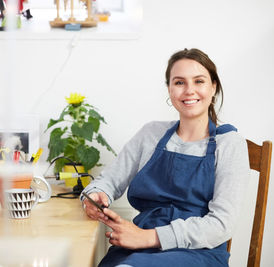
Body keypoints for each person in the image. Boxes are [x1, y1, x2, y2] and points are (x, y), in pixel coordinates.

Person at [81, 48, 250, 267]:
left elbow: (221, 225)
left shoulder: (230, 144)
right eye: (179, 82)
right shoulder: (150, 134)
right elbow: (108, 180)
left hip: (198, 252)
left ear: (213, 87)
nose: (189, 90)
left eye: (199, 81)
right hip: (137, 247)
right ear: (169, 89)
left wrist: (148, 237)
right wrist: (95, 196)